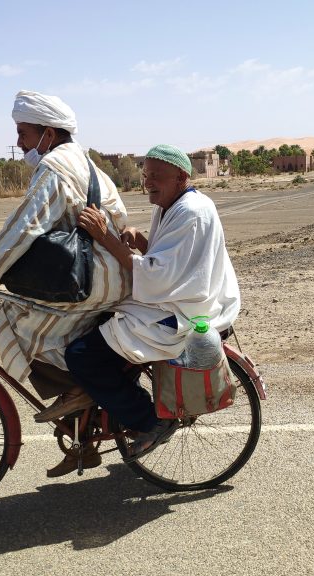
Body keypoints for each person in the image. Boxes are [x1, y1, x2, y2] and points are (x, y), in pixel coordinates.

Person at [0, 90, 132, 474]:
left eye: (24, 133)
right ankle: (83, 439)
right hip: (109, 274)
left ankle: (77, 391)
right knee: (57, 334)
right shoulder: (88, 163)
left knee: (6, 321)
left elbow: (23, 227)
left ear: (48, 133)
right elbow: (119, 217)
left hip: (90, 280)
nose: (19, 143)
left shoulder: (55, 169)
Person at [71, 144, 240, 461]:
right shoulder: (171, 205)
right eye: (146, 175)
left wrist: (105, 235)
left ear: (181, 176)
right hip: (174, 299)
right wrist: (143, 240)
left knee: (82, 355)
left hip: (182, 313)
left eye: (156, 176)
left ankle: (151, 421)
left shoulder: (190, 212)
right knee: (100, 322)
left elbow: (155, 274)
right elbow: (174, 262)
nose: (148, 182)